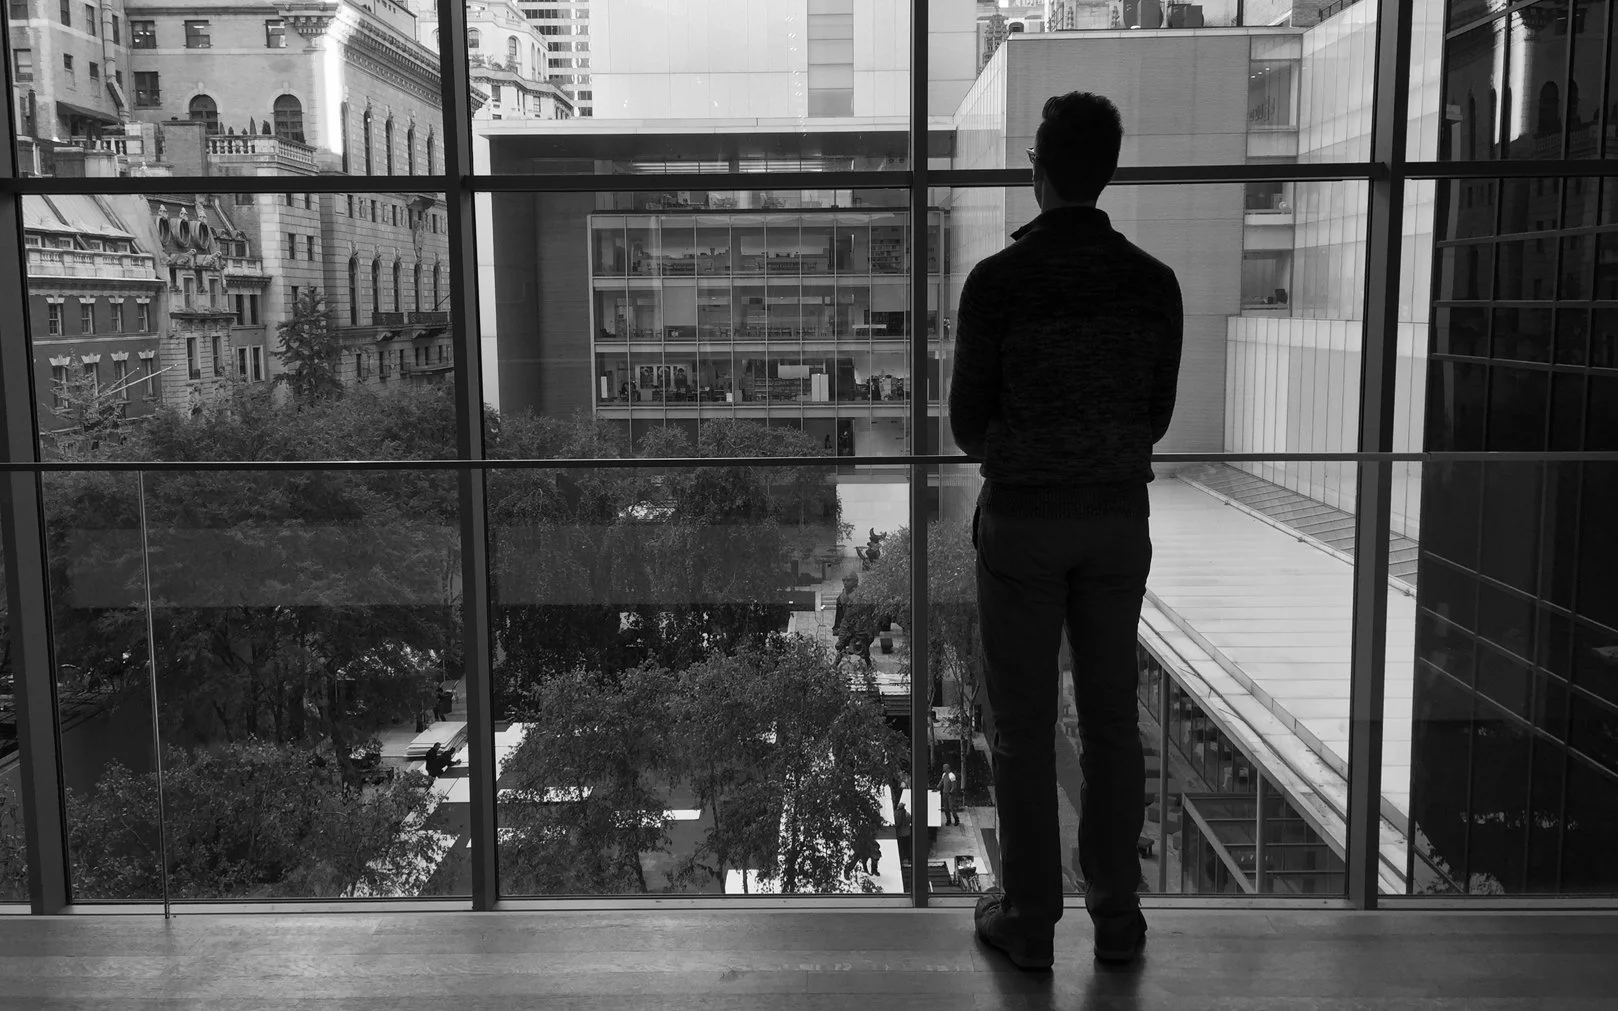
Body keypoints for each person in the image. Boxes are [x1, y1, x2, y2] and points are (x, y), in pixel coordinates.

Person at [950, 92, 1182, 970]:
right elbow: (1153, 416)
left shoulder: (999, 283)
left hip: (1025, 526)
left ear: (1036, 174)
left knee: (1022, 722)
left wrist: (1030, 445)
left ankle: (1032, 921)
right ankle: (1117, 920)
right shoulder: (1153, 284)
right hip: (1118, 521)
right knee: (1114, 722)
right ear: (1108, 170)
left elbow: (969, 423)